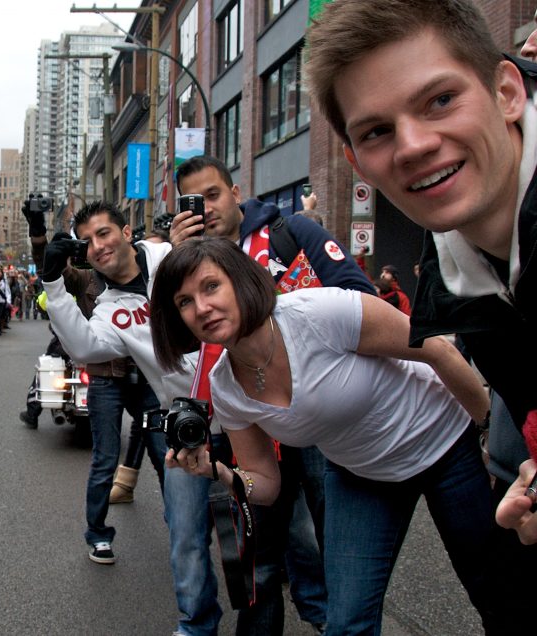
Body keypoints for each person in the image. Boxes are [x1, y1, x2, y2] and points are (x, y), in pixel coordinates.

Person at [304, 0, 537, 603]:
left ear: (507, 91)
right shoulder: (450, 266)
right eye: (377, 130)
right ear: (357, 163)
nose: (413, 145)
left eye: (440, 100)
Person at [151, 237, 497, 634]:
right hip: (361, 474)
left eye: (211, 286)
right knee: (347, 624)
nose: (202, 308)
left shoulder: (319, 311)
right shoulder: (226, 388)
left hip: (446, 446)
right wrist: (216, 471)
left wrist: (490, 440)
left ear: (240, 281)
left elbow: (437, 350)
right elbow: (265, 484)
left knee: (495, 592)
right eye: (184, 302)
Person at [171, 154, 376, 633]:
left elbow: (358, 298)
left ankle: (338, 620)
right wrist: (174, 261)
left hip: (319, 419)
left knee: (338, 544)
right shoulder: (183, 263)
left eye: (215, 195)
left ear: (237, 192)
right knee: (258, 561)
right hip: (241, 422)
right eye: (194, 202)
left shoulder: (293, 234)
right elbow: (174, 345)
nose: (207, 209)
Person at [41, 201, 219, 634]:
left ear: (124, 232)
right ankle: (196, 625)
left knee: (281, 530)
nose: (98, 246)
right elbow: (83, 348)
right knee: (186, 535)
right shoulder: (107, 309)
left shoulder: (168, 254)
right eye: (86, 241)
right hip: (188, 421)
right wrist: (51, 281)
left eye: (103, 233)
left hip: (249, 409)